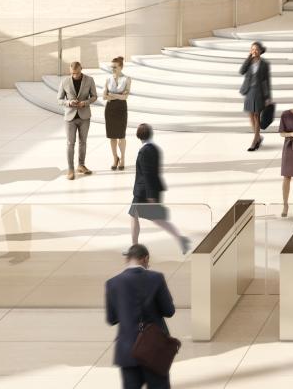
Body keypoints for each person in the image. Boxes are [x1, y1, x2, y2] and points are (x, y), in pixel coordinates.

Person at [107, 242, 176, 389]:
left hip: (127, 352)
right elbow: (169, 311)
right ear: (145, 259)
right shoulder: (156, 278)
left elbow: (111, 319)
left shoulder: (112, 283)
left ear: (127, 259)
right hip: (154, 349)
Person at [129, 124, 190, 253]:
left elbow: (147, 174)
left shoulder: (144, 151)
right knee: (146, 217)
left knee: (148, 217)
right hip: (152, 190)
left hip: (144, 192)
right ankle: (180, 239)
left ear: (139, 136)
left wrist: (151, 196)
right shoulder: (155, 149)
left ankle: (134, 248)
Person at [61, 60, 97, 178]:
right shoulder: (65, 81)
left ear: (81, 69)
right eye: (72, 73)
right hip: (70, 118)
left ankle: (81, 165)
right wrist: (69, 102)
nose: (74, 75)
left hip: (84, 116)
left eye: (76, 73)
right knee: (70, 143)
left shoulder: (89, 80)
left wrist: (85, 103)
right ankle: (70, 169)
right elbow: (59, 99)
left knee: (83, 142)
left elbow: (94, 96)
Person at [240, 41, 271, 152]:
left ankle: (254, 141)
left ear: (260, 51)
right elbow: (241, 71)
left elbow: (266, 81)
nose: (254, 51)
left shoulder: (265, 64)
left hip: (259, 92)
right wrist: (249, 58)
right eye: (252, 49)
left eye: (256, 49)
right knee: (250, 115)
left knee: (257, 116)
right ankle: (258, 137)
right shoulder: (249, 62)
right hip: (249, 91)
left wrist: (268, 97)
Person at [104, 56, 131, 171]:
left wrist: (112, 95)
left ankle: (123, 158)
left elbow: (125, 96)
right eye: (112, 67)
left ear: (120, 67)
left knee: (121, 135)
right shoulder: (108, 79)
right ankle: (115, 158)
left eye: (115, 67)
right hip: (109, 109)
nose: (112, 69)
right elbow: (104, 96)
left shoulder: (127, 79)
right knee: (112, 136)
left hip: (121, 108)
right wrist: (118, 95)